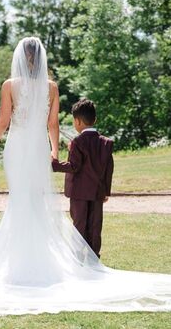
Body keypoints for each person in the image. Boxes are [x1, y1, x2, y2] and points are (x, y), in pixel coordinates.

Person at [0, 37, 171, 315]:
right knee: (36, 201)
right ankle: (39, 258)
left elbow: (4, 120)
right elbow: (52, 123)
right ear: (41, 58)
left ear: (21, 57)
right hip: (38, 147)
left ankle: (18, 260)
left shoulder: (10, 85)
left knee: (19, 199)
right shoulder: (51, 87)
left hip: (18, 148)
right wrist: (54, 151)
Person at [52, 99, 114, 258]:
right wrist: (106, 190)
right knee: (95, 224)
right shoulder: (105, 143)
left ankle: (78, 256)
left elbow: (74, 166)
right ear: (95, 119)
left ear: (78, 121)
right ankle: (94, 256)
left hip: (79, 192)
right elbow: (109, 168)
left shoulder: (77, 142)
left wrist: (54, 164)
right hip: (97, 192)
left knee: (79, 223)